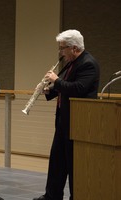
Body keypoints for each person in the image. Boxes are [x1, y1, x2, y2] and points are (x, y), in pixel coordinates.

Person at [33, 30, 100, 200]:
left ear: (74, 48)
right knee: (57, 161)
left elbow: (78, 89)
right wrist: (48, 90)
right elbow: (66, 87)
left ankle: (76, 196)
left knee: (73, 164)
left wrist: (56, 80)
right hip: (64, 119)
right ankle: (52, 196)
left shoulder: (88, 63)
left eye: (63, 48)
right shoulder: (72, 63)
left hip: (78, 122)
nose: (61, 52)